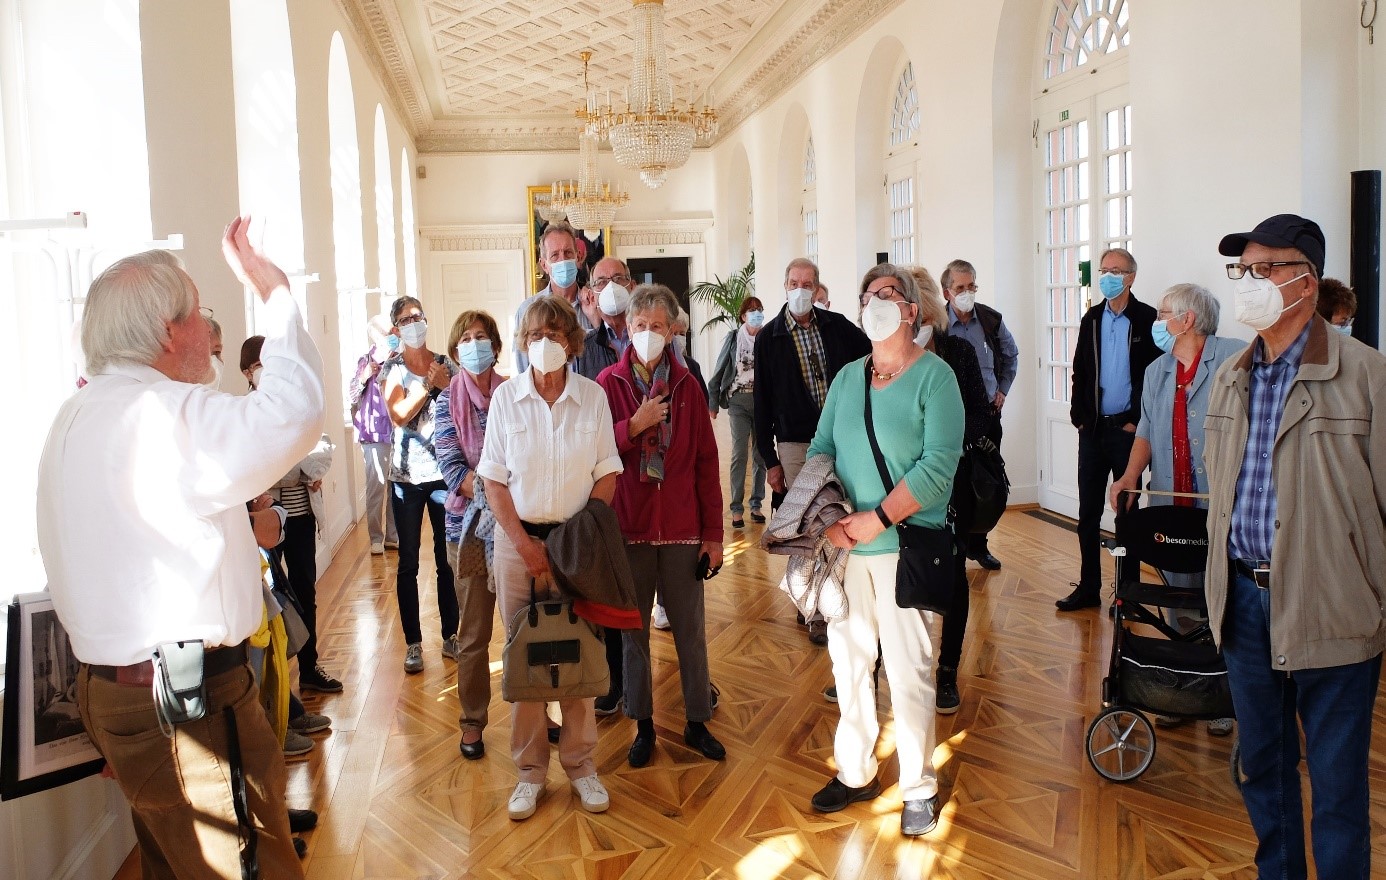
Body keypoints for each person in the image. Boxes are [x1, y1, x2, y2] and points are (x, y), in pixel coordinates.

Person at [37, 218, 322, 878]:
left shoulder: (72, 418)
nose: (207, 332)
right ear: (169, 331)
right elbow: (292, 414)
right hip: (190, 703)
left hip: (120, 693)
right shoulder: (161, 416)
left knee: (175, 864)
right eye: (200, 314)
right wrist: (277, 296)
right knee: (249, 868)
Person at [1204, 213, 1386, 879]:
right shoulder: (1231, 377)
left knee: (1337, 791)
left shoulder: (1367, 376)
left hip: (1331, 607)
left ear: (1305, 284)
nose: (1248, 283)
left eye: (1264, 269)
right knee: (1264, 771)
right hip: (1245, 606)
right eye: (1242, 270)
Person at [807, 263, 963, 837]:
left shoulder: (935, 378)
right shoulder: (848, 378)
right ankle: (855, 771)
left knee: (908, 671)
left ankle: (918, 785)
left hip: (906, 547)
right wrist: (827, 520)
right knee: (848, 665)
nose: (876, 302)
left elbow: (939, 467)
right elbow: (822, 449)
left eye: (888, 293)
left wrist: (875, 518)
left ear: (911, 310)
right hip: (847, 548)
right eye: (868, 294)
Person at [477, 295, 622, 821]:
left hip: (577, 545)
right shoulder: (505, 401)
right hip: (519, 547)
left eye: (556, 336)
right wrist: (524, 544)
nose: (546, 344)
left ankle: (582, 767)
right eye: (536, 335)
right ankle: (530, 773)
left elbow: (608, 471)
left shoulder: (592, 397)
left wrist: (574, 539)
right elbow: (492, 480)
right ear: (522, 343)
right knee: (527, 661)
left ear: (572, 343)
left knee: (581, 656)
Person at [595, 284, 726, 769]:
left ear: (673, 329)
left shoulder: (689, 388)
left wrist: (713, 536)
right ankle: (643, 724)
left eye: (657, 325)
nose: (648, 334)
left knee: (689, 631)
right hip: (629, 527)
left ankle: (696, 720)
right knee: (633, 636)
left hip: (682, 530)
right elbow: (598, 454)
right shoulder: (608, 384)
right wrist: (635, 424)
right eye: (639, 326)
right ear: (627, 329)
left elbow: (707, 465)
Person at [1107, 282, 1243, 735]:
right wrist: (1129, 477)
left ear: (1187, 320)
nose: (1157, 319)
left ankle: (1221, 692)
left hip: (1218, 504)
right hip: (1171, 499)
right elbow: (1145, 428)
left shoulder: (1231, 358)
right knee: (1177, 592)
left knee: (1219, 597)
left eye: (1165, 311)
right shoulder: (1158, 370)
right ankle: (1182, 688)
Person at [755, 257, 871, 644]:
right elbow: (762, 404)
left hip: (843, 437)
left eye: (807, 282)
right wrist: (769, 461)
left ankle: (838, 593)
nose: (800, 289)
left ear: (817, 287)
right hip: (795, 442)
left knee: (841, 515)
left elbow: (872, 353)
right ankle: (811, 605)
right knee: (809, 521)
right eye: (793, 282)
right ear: (785, 287)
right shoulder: (768, 337)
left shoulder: (838, 328)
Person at [907, 266, 991, 716]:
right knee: (896, 577)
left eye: (919, 322)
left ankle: (946, 673)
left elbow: (981, 414)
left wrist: (946, 441)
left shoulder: (957, 352)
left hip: (951, 486)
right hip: (900, 488)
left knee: (954, 581)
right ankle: (881, 663)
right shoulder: (881, 359)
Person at [1059, 247, 1161, 611]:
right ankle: (1088, 587)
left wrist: (1137, 418)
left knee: (1127, 514)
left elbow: (1155, 376)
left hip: (1129, 433)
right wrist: (1079, 416)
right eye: (1104, 270)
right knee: (1087, 513)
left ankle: (1127, 593)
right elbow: (1080, 371)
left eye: (1115, 270)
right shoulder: (1092, 319)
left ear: (1131, 277)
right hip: (1094, 431)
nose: (1108, 276)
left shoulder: (1148, 319)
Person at [241, 335, 341, 695]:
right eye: (258, 366)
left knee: (304, 591)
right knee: (272, 595)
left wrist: (289, 465)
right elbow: (264, 465)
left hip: (299, 517)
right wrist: (295, 466)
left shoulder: (295, 407)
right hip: (266, 520)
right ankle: (276, 684)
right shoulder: (245, 412)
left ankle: (310, 668)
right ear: (247, 372)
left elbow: (318, 456)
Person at [434, 309, 505, 761]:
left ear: (495, 346)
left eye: (482, 337)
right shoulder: (446, 403)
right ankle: (472, 721)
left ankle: (538, 713)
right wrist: (496, 490)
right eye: (466, 339)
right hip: (470, 530)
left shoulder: (517, 393)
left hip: (520, 528)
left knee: (527, 625)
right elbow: (451, 468)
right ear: (455, 350)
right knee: (475, 633)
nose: (474, 345)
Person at [383, 295, 459, 674]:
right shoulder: (392, 370)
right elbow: (398, 415)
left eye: (418, 315)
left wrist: (442, 385)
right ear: (396, 328)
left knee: (447, 559)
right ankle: (413, 643)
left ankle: (451, 635)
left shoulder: (446, 364)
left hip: (444, 473)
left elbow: (462, 407)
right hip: (407, 480)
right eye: (405, 318)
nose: (414, 322)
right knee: (408, 562)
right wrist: (430, 388)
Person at [939, 258, 1018, 571]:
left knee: (984, 481)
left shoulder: (989, 320)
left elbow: (1011, 355)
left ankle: (979, 545)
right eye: (960, 287)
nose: (967, 292)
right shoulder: (938, 325)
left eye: (971, 286)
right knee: (951, 481)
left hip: (985, 414)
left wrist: (1003, 390)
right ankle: (951, 544)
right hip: (947, 415)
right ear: (947, 292)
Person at [709, 296, 767, 529]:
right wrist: (713, 403)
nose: (756, 313)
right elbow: (720, 369)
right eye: (752, 310)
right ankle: (735, 508)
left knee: (761, 454)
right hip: (738, 401)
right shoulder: (734, 338)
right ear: (743, 316)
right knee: (739, 453)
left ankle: (756, 504)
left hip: (763, 401)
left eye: (759, 310)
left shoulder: (768, 336)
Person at [351, 315, 399, 554]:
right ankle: (376, 537)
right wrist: (365, 376)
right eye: (384, 333)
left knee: (396, 487)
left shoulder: (401, 358)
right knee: (376, 487)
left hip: (399, 431)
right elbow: (351, 395)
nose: (390, 336)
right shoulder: (365, 361)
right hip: (373, 433)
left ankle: (393, 535)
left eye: (391, 332)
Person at [515, 223, 593, 370]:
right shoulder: (527, 310)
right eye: (555, 255)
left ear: (578, 257)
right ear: (544, 264)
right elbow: (523, 367)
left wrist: (595, 319)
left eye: (568, 253)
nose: (563, 260)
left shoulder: (593, 304)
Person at [573, 256, 633, 380]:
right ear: (592, 297)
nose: (611, 286)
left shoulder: (651, 335)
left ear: (631, 287)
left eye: (618, 279)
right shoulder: (583, 348)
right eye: (601, 282)